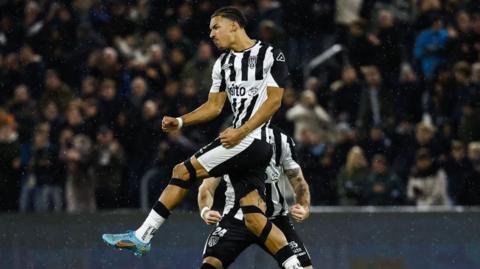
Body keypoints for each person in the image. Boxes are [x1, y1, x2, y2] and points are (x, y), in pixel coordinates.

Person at [102, 7, 302, 269]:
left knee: (181, 171)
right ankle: (294, 266)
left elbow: (274, 101)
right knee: (253, 215)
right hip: (245, 142)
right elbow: (214, 106)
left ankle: (142, 236)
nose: (211, 34)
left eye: (215, 27)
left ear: (234, 25)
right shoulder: (223, 63)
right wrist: (181, 121)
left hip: (250, 139)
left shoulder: (271, 55)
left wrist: (241, 131)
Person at [198, 127, 313, 268]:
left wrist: (304, 206)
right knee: (210, 265)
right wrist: (205, 210)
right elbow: (207, 187)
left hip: (275, 219)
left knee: (304, 266)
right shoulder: (227, 140)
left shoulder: (281, 140)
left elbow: (299, 182)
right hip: (237, 220)